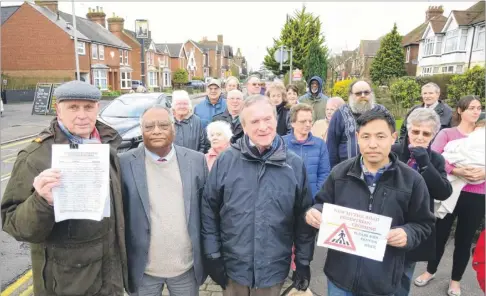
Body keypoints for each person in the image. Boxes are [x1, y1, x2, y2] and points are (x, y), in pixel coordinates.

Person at [1, 80, 128, 295]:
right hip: (69, 282)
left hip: (110, 275)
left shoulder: (106, 144)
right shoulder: (36, 157)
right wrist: (41, 201)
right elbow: (13, 224)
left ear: (97, 108)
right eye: (73, 107)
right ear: (58, 110)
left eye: (88, 107)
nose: (82, 115)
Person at [305, 109, 434, 296]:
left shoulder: (412, 181)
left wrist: (408, 233)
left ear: (393, 137)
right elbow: (322, 203)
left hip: (383, 280)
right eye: (365, 136)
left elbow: (424, 223)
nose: (372, 144)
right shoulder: (340, 173)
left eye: (380, 136)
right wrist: (315, 212)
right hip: (340, 277)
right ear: (357, 138)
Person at [201, 95, 316, 296]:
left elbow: (302, 218)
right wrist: (212, 255)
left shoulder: (294, 165)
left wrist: (303, 261)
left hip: (273, 271)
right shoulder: (226, 160)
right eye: (254, 121)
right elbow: (209, 209)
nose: (262, 127)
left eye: (267, 119)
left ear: (276, 121)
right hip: (233, 269)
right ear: (244, 127)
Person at [120, 105, 208, 296]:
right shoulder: (124, 163)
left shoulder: (197, 161)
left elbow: (206, 212)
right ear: (141, 131)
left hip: (185, 267)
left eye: (163, 125)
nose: (156, 131)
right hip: (143, 270)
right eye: (149, 126)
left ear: (173, 128)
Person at [414, 96, 485, 296]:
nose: (476, 111)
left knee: (465, 239)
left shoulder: (483, 136)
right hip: (450, 191)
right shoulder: (448, 133)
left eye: (479, 108)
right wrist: (456, 170)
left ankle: (456, 280)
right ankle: (430, 271)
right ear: (460, 110)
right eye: (471, 108)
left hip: (477, 194)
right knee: (440, 235)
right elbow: (434, 157)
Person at [391, 108, 453, 296]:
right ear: (408, 130)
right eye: (415, 131)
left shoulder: (435, 159)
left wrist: (426, 164)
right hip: (389, 218)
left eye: (426, 134)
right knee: (379, 272)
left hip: (415, 225)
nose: (419, 137)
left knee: (404, 274)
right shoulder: (392, 151)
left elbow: (443, 192)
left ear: (433, 136)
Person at [327, 80, 388, 168]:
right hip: (347, 174)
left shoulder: (382, 112)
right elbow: (331, 148)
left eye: (366, 92)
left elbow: (393, 142)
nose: (363, 96)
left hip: (380, 173)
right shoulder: (340, 114)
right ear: (351, 95)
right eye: (358, 93)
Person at [283, 103, 330, 199]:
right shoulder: (281, 143)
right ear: (292, 123)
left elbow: (324, 173)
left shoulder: (320, 144)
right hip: (286, 199)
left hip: (312, 199)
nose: (308, 124)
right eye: (303, 121)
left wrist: (316, 195)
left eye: (310, 121)